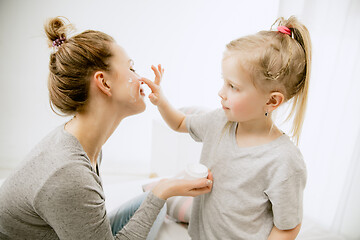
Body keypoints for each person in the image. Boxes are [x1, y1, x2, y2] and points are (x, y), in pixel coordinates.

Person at [0, 17, 213, 240]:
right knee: (157, 198)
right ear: (104, 83)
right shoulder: (68, 173)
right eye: (131, 67)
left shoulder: (83, 144)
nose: (140, 77)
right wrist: (162, 192)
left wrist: (163, 191)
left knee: (155, 202)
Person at [141, 16, 310, 240]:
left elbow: (287, 227)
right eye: (224, 81)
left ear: (272, 101)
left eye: (233, 86)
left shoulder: (284, 162)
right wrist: (161, 100)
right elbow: (180, 123)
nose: (221, 92)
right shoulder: (219, 121)